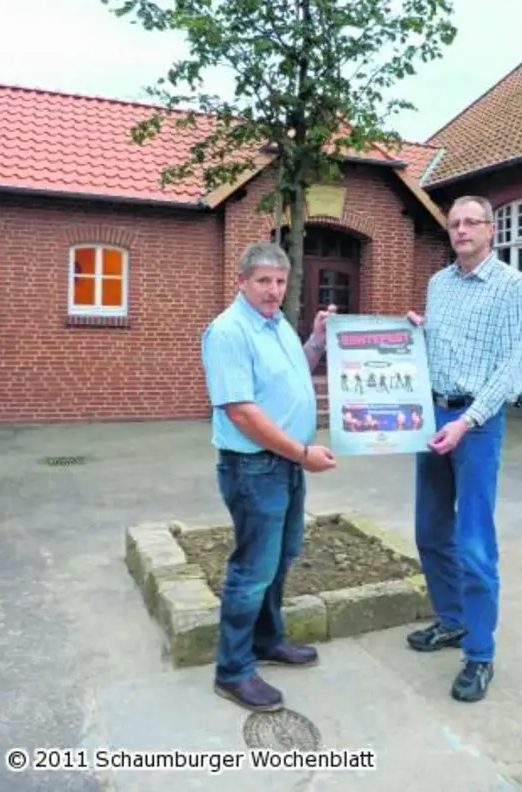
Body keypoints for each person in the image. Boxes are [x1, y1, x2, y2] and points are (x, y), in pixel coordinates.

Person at [405, 195, 522, 703]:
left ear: (490, 229)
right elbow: (440, 349)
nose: (460, 230)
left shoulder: (512, 286)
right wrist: (416, 335)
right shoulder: (439, 284)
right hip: (432, 414)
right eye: (454, 223)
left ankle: (480, 654)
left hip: (476, 424)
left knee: (475, 541)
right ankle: (452, 621)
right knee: (430, 530)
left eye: (470, 222)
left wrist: (465, 422)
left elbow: (510, 368)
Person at [200, 242, 338, 712]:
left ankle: (266, 640)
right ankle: (233, 671)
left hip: (286, 464)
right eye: (263, 280)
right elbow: (241, 412)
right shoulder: (229, 332)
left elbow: (292, 372)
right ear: (241, 282)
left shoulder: (275, 323)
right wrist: (301, 452)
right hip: (255, 466)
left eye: (280, 281)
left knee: (282, 557)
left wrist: (317, 338)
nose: (273, 290)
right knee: (252, 568)